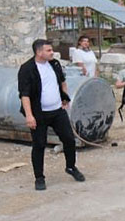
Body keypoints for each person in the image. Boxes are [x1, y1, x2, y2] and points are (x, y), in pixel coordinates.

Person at [17, 38, 86, 191]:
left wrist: (65, 97)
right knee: (39, 145)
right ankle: (39, 177)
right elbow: (24, 94)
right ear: (39, 52)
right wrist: (29, 116)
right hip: (39, 114)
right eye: (48, 50)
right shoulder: (27, 69)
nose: (52, 53)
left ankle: (71, 167)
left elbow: (62, 81)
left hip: (57, 111)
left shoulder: (54, 64)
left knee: (69, 139)